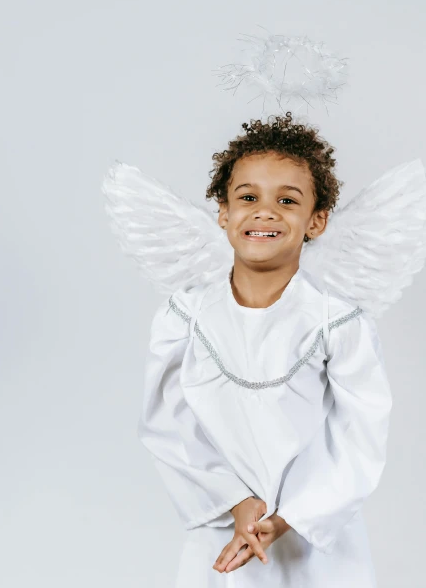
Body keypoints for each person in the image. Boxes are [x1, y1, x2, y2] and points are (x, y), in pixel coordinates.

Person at [137, 113, 393, 586]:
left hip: (316, 536)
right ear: (223, 212)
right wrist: (235, 501)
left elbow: (361, 435)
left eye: (287, 201)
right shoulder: (185, 317)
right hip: (222, 527)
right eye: (248, 197)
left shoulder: (337, 323)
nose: (265, 212)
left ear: (317, 220)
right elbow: (168, 423)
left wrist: (287, 518)